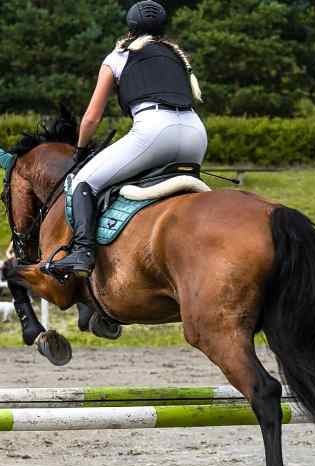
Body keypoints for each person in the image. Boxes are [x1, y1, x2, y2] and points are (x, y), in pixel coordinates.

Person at [49, 0, 207, 277]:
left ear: (130, 28)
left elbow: (91, 119)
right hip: (195, 133)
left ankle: (83, 252)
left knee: (84, 181)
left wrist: (81, 149)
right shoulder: (178, 56)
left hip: (155, 130)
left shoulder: (118, 56)